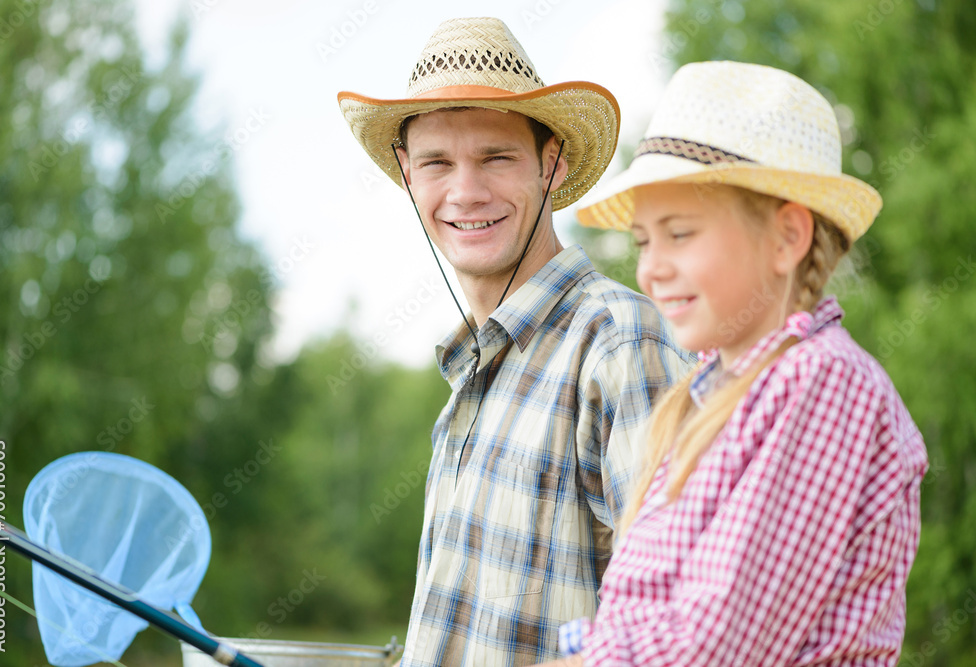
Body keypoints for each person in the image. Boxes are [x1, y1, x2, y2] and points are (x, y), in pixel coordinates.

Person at [530, 60, 929, 666]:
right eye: (643, 241)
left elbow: (717, 645)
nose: (651, 268)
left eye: (681, 234)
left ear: (786, 238)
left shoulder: (824, 382)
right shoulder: (710, 395)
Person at [338, 17, 691, 667]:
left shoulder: (618, 344)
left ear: (550, 164)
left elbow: (678, 628)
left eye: (496, 157)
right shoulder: (471, 376)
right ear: (407, 175)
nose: (466, 191)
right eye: (437, 162)